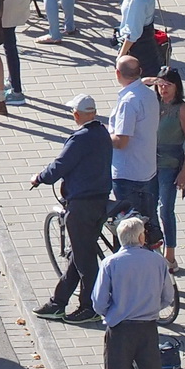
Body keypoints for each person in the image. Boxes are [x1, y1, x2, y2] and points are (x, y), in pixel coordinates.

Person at [92, 217, 174, 369]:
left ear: (120, 238)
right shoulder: (157, 262)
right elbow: (167, 297)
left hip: (120, 330)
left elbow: (98, 302)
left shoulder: (111, 263)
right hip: (148, 330)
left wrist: (113, 311)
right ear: (141, 237)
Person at [30, 93, 112, 324]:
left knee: (85, 261)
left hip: (81, 205)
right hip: (100, 201)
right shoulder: (102, 133)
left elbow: (60, 165)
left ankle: (91, 307)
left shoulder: (80, 138)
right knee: (79, 254)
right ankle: (58, 303)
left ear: (77, 115)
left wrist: (40, 178)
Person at [151, 67, 185, 274]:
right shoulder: (153, 103)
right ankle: (151, 249)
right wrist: (151, 80)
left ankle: (170, 255)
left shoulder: (181, 109)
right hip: (148, 163)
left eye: (168, 85)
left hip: (170, 165)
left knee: (165, 210)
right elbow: (135, 83)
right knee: (148, 207)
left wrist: (184, 171)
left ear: (177, 86)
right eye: (160, 85)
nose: (163, 89)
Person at [108, 54, 160, 226]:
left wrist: (102, 137)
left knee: (128, 228)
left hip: (128, 174)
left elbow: (122, 141)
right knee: (150, 226)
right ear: (140, 71)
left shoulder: (128, 102)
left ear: (117, 73)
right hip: (148, 170)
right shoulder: (149, 94)